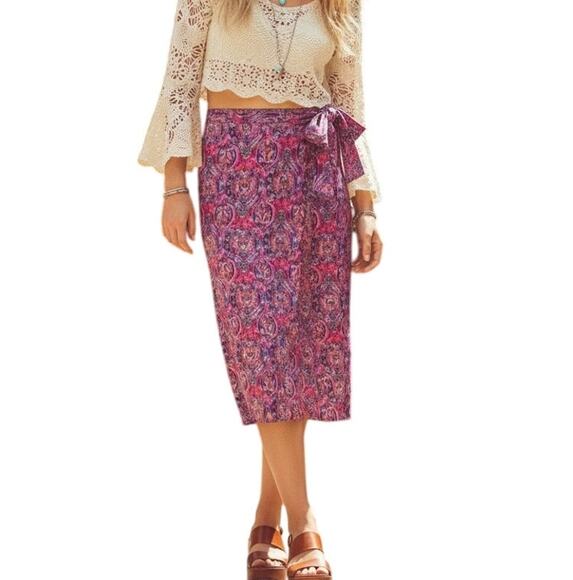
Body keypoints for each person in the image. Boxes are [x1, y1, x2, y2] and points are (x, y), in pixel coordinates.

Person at [137, 0, 382, 577]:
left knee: (295, 352)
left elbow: (350, 103)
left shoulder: (340, 5)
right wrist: (174, 185)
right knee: (262, 348)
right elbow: (180, 82)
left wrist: (365, 204)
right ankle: (305, 524)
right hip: (236, 171)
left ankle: (264, 521)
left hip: (316, 176)